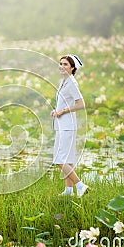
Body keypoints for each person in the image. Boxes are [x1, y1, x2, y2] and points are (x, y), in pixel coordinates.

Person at [51, 54, 88, 197]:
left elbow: (81, 104)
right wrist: (57, 111)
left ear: (72, 68)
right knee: (68, 160)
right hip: (62, 125)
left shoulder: (71, 82)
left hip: (67, 126)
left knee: (59, 159)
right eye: (60, 63)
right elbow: (64, 102)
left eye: (65, 64)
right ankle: (68, 191)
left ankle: (80, 185)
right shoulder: (64, 81)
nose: (62, 66)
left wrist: (63, 111)